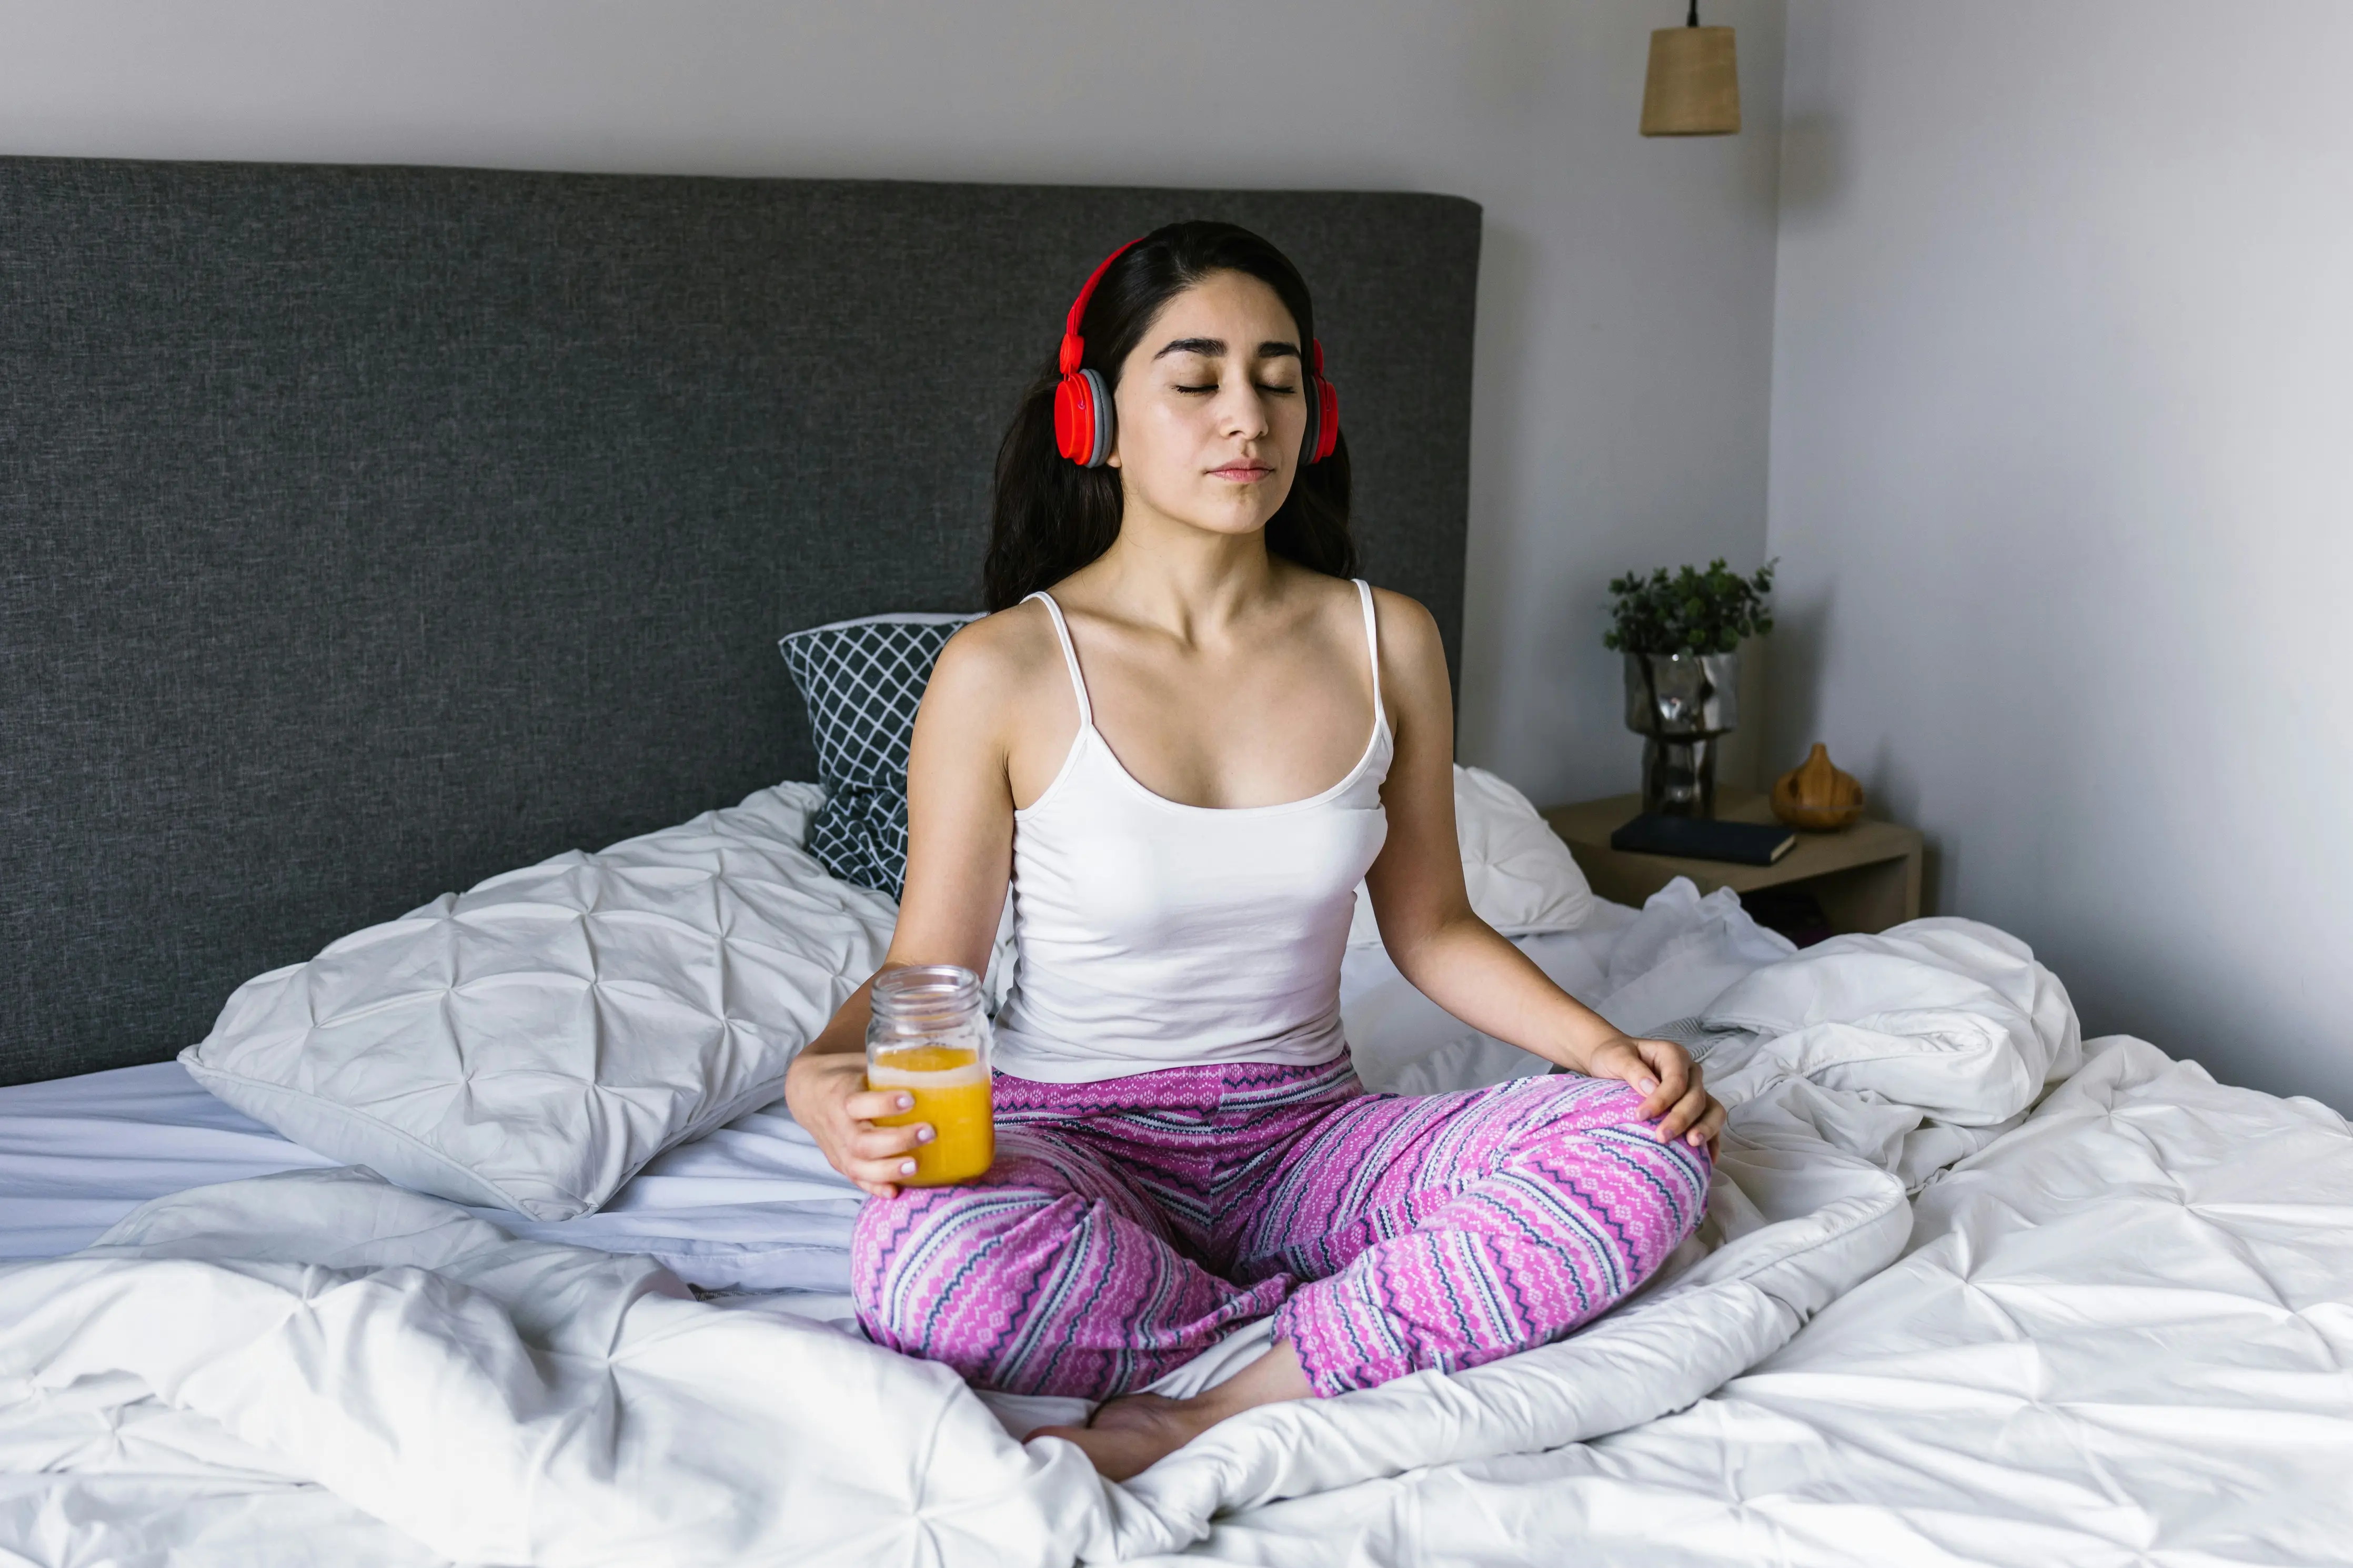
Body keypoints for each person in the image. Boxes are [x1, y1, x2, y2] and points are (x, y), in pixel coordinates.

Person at [783, 221, 1726, 1480]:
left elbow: (1432, 926)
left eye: (1278, 381)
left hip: (1307, 1142)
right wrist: (819, 1074)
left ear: (1313, 413)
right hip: (1080, 1145)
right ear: (1092, 418)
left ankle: (1218, 1399)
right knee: (929, 1276)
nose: (1247, 417)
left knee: (1646, 1148)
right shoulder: (1001, 667)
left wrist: (1605, 1054)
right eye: (1196, 379)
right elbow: (930, 968)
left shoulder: (1389, 639)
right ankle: (1365, 1306)